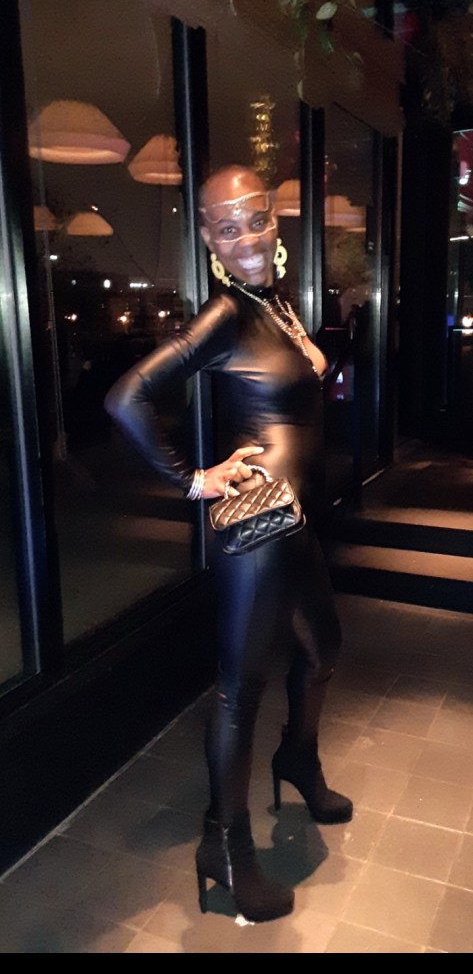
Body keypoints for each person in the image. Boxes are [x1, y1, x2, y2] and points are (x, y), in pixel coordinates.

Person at [104, 164, 353, 924]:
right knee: (239, 690)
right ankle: (226, 844)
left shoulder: (273, 301)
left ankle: (297, 759)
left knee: (321, 651)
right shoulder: (223, 313)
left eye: (257, 219)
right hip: (257, 526)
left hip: (299, 520)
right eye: (227, 227)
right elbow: (126, 397)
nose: (246, 237)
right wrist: (191, 479)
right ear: (210, 240)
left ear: (275, 223)